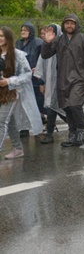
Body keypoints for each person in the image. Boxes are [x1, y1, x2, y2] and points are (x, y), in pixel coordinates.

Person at [41, 14, 84, 148]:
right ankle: (72, 134)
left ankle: (81, 131)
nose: (69, 26)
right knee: (67, 106)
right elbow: (45, 55)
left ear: (76, 25)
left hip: (80, 79)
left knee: (75, 103)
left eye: (72, 23)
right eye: (67, 23)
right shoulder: (59, 40)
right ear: (64, 25)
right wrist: (47, 42)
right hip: (63, 80)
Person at [0, 26, 44, 159]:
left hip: (12, 93)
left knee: (1, 121)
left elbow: (27, 75)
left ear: (8, 38)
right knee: (10, 120)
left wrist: (9, 81)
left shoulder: (17, 55)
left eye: (2, 36)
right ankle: (18, 148)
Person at [34, 24, 67, 144]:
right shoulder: (47, 46)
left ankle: (76, 128)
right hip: (49, 82)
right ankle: (49, 134)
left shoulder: (63, 45)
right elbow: (41, 64)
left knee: (62, 108)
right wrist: (41, 82)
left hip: (63, 83)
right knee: (51, 107)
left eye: (53, 31)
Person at [15, 20, 45, 131]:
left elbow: (43, 58)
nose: (23, 32)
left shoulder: (38, 43)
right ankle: (24, 128)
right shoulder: (18, 43)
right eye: (22, 30)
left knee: (38, 100)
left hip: (35, 76)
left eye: (25, 30)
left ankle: (42, 120)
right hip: (22, 76)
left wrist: (38, 68)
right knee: (23, 102)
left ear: (31, 31)